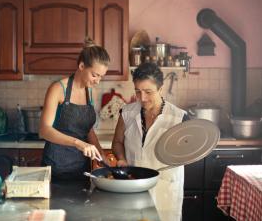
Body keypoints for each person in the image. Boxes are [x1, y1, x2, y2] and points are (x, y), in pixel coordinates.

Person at [112, 62, 189, 221]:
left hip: (165, 188)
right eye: (138, 92)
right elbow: (117, 142)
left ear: (161, 89)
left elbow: (188, 153)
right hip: (133, 185)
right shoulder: (127, 113)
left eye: (148, 91)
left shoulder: (179, 118)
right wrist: (121, 158)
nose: (142, 98)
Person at [39, 37, 110, 181]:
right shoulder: (58, 89)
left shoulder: (90, 92)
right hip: (56, 167)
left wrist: (101, 155)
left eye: (101, 77)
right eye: (95, 75)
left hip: (82, 168)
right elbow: (44, 130)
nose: (97, 81)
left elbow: (87, 129)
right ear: (82, 66)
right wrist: (78, 143)